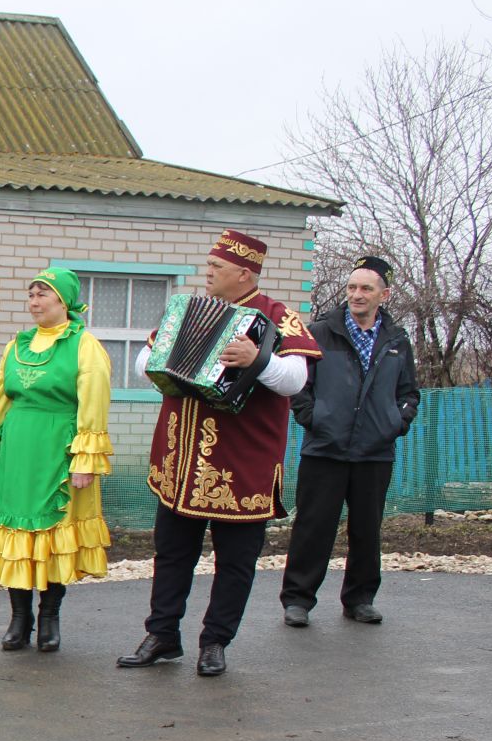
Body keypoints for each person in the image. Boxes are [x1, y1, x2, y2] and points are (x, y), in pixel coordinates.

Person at [118, 230, 321, 677]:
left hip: (240, 466)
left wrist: (259, 360)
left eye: (216, 268)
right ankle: (162, 634)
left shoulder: (278, 318)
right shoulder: (185, 310)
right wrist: (160, 356)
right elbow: (142, 366)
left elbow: (295, 381)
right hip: (181, 459)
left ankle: (215, 642)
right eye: (208, 266)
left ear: (243, 273)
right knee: (171, 552)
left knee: (235, 561)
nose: (206, 274)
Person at [0, 268, 114, 652]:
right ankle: (19, 617)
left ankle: (49, 617)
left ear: (63, 301)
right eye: (31, 294)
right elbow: (1, 397)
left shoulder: (85, 346)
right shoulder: (17, 345)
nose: (34, 301)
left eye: (43, 294)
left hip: (57, 451)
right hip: (17, 450)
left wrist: (84, 460)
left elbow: (93, 406)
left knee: (53, 533)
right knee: (14, 531)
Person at [279, 256, 422, 627]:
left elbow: (409, 392)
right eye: (352, 287)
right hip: (325, 449)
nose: (357, 295)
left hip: (374, 453)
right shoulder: (320, 332)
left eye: (366, 289)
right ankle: (298, 600)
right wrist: (314, 418)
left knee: (366, 529)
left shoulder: (397, 340)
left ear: (383, 295)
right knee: (313, 526)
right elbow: (300, 386)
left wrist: (396, 422)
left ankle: (360, 599)